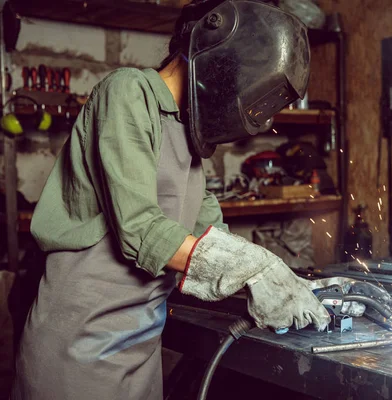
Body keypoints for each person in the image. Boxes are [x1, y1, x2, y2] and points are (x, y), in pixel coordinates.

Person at [10, 1, 330, 399]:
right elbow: (140, 230)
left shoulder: (192, 135)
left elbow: (214, 236)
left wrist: (288, 284)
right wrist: (253, 270)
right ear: (222, 56)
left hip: (140, 352)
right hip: (78, 349)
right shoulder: (128, 91)